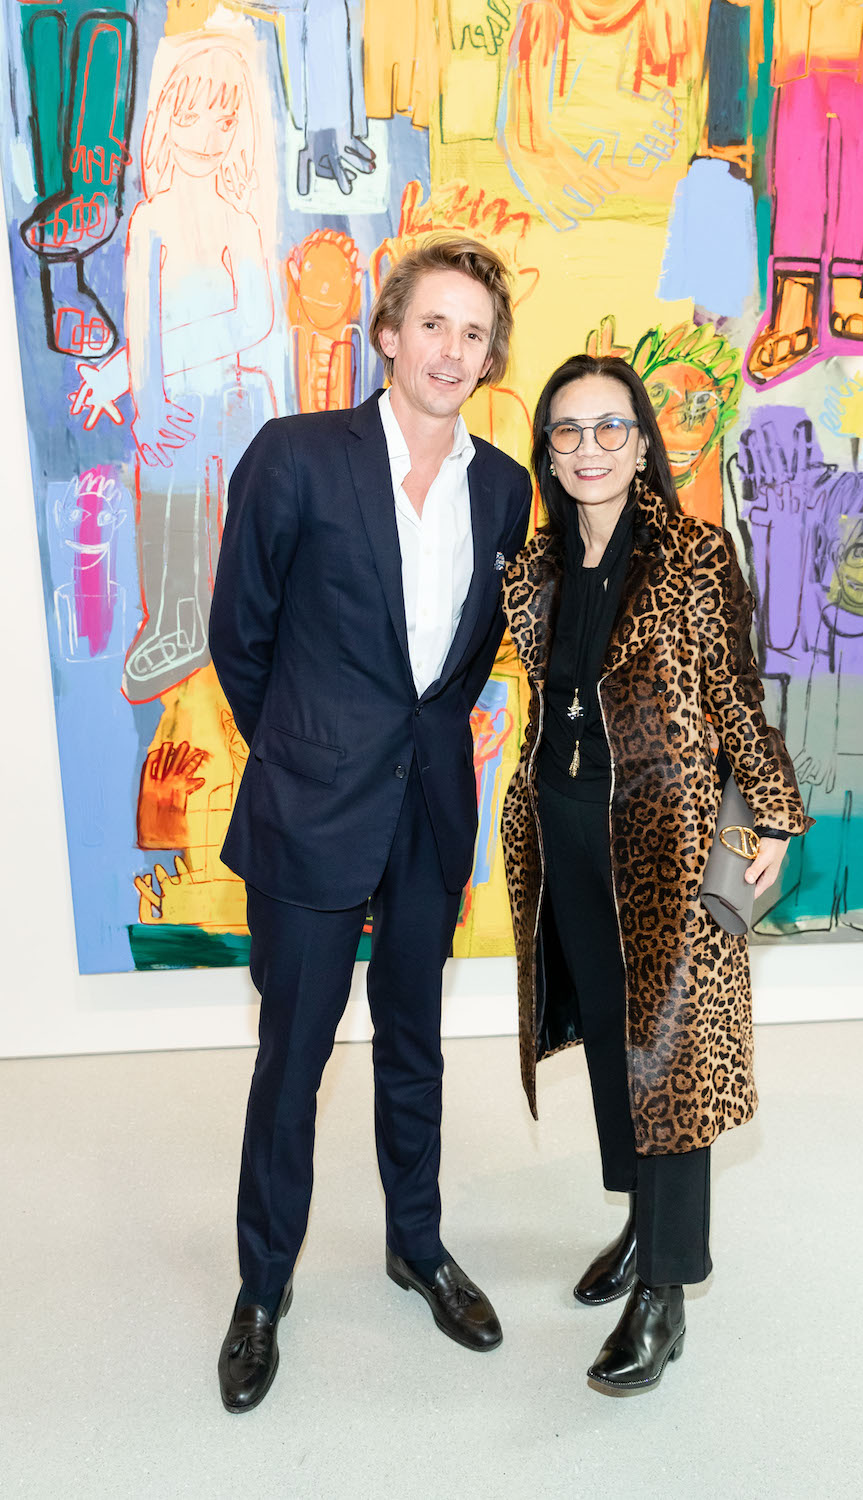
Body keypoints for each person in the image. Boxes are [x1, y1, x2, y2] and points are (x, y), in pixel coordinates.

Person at [209, 237, 532, 1413]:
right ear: (387, 334)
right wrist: (308, 745)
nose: (451, 349)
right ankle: (261, 1290)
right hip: (311, 804)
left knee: (414, 1043)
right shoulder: (296, 455)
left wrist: (410, 746)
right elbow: (239, 636)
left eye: (473, 333)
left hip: (430, 805)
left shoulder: (505, 488)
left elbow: (467, 658)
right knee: (292, 1059)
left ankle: (418, 1245)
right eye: (432, 323)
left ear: (490, 358)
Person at [500, 354, 810, 1394]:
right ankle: (640, 1223)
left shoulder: (691, 554)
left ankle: (665, 1294)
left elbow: (735, 693)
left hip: (666, 843)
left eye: (610, 427)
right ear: (548, 452)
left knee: (670, 1058)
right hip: (565, 832)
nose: (589, 447)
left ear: (641, 445)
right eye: (568, 430)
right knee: (608, 1039)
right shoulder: (537, 568)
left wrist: (771, 808)